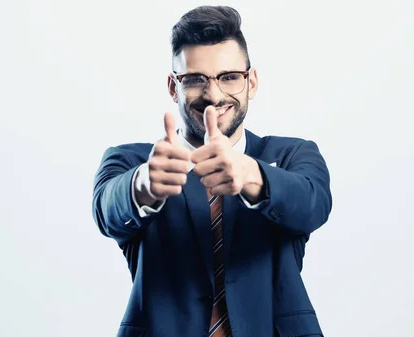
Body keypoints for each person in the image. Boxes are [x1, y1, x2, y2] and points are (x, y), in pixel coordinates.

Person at [92, 5, 332, 337]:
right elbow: (107, 210)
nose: (213, 94)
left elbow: (313, 204)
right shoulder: (131, 162)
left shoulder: (292, 154)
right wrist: (143, 184)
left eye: (230, 77)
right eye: (194, 80)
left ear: (252, 82)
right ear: (173, 87)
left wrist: (250, 175)